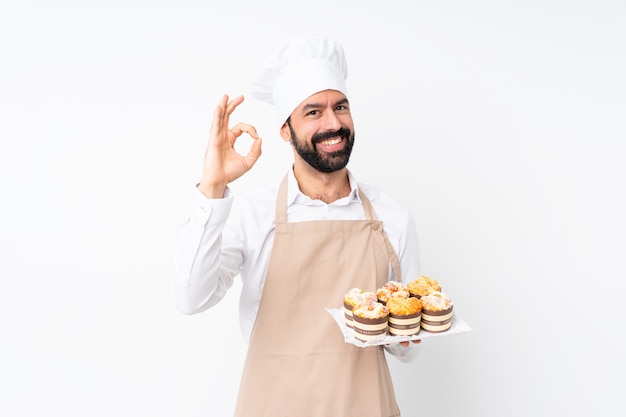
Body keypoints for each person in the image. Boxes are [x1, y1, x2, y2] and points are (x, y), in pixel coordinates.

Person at [173, 37, 424, 417]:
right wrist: (213, 188)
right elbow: (191, 298)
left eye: (340, 107)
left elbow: (410, 349)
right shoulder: (250, 213)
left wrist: (405, 334)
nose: (334, 123)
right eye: (313, 112)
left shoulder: (392, 216)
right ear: (285, 130)